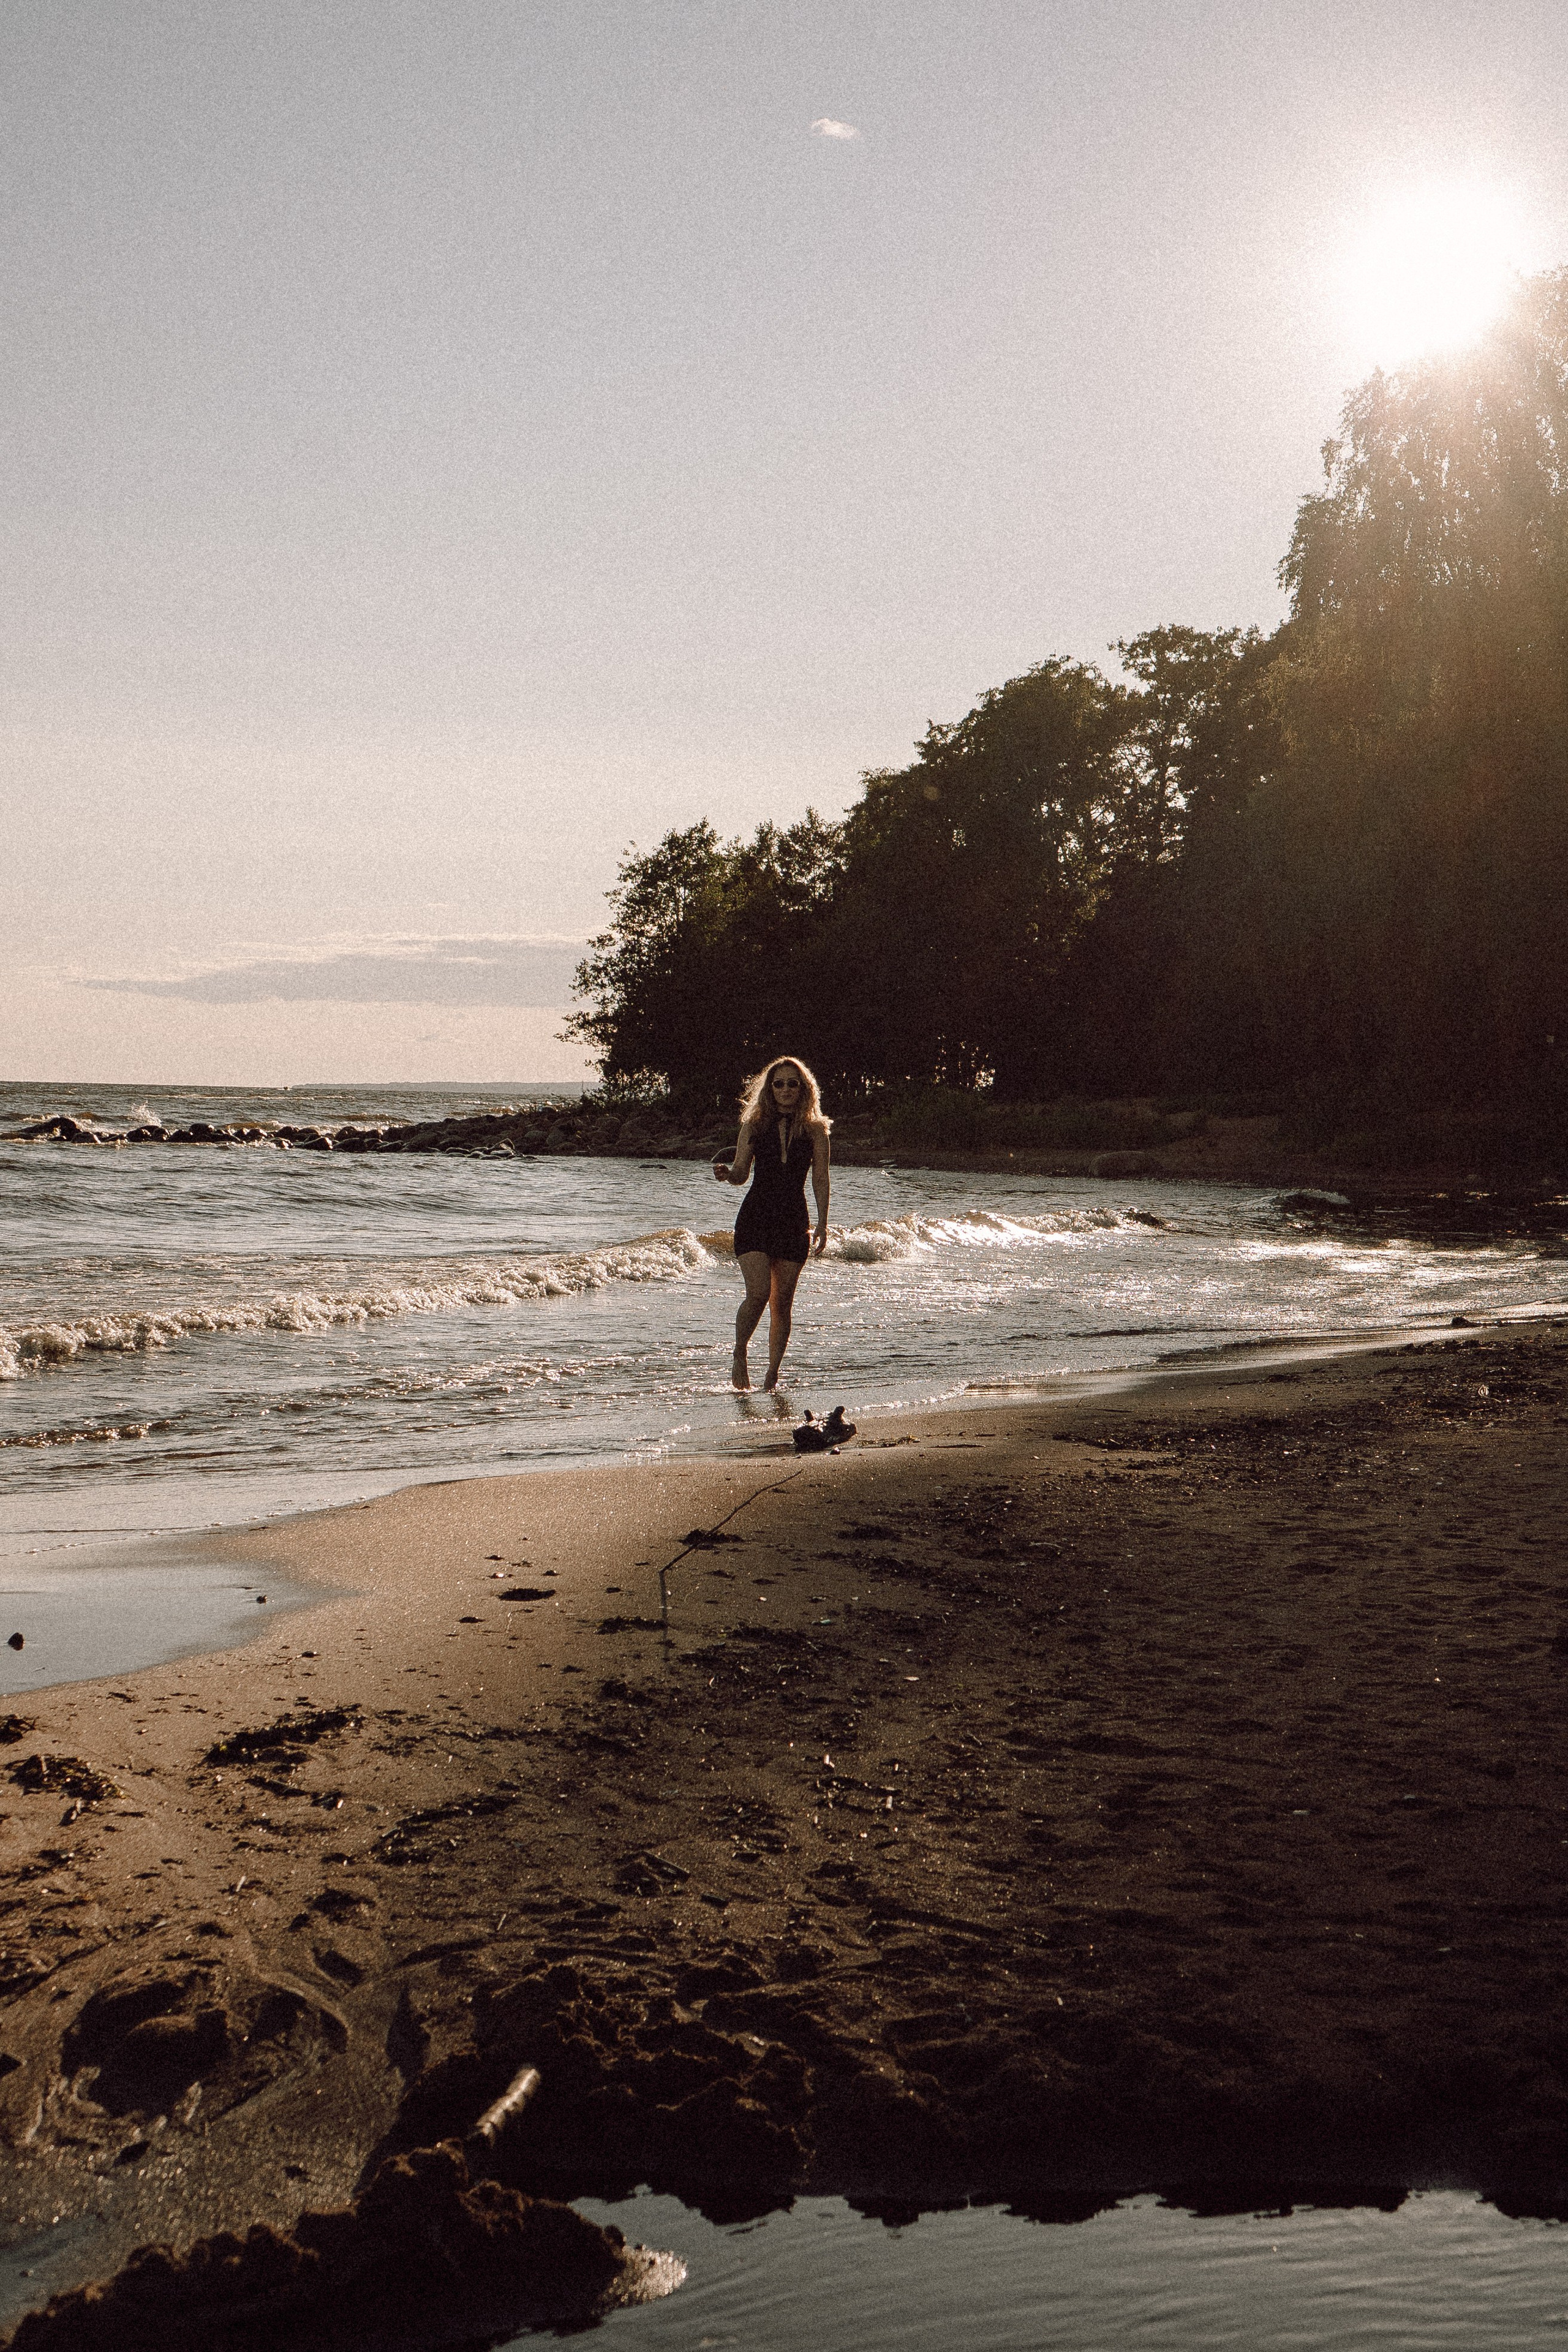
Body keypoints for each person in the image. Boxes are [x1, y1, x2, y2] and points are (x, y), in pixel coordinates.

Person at [712, 1057, 831, 1390]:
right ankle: (740, 1351)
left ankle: (772, 1374)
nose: (786, 1089)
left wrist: (822, 1223)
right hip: (756, 1217)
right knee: (759, 1293)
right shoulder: (754, 1126)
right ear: (770, 1088)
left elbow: (821, 1178)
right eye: (779, 1083)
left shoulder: (816, 1130)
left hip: (794, 1220)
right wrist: (728, 1175)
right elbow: (741, 1174)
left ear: (804, 1088)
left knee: (782, 1304)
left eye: (793, 1083)